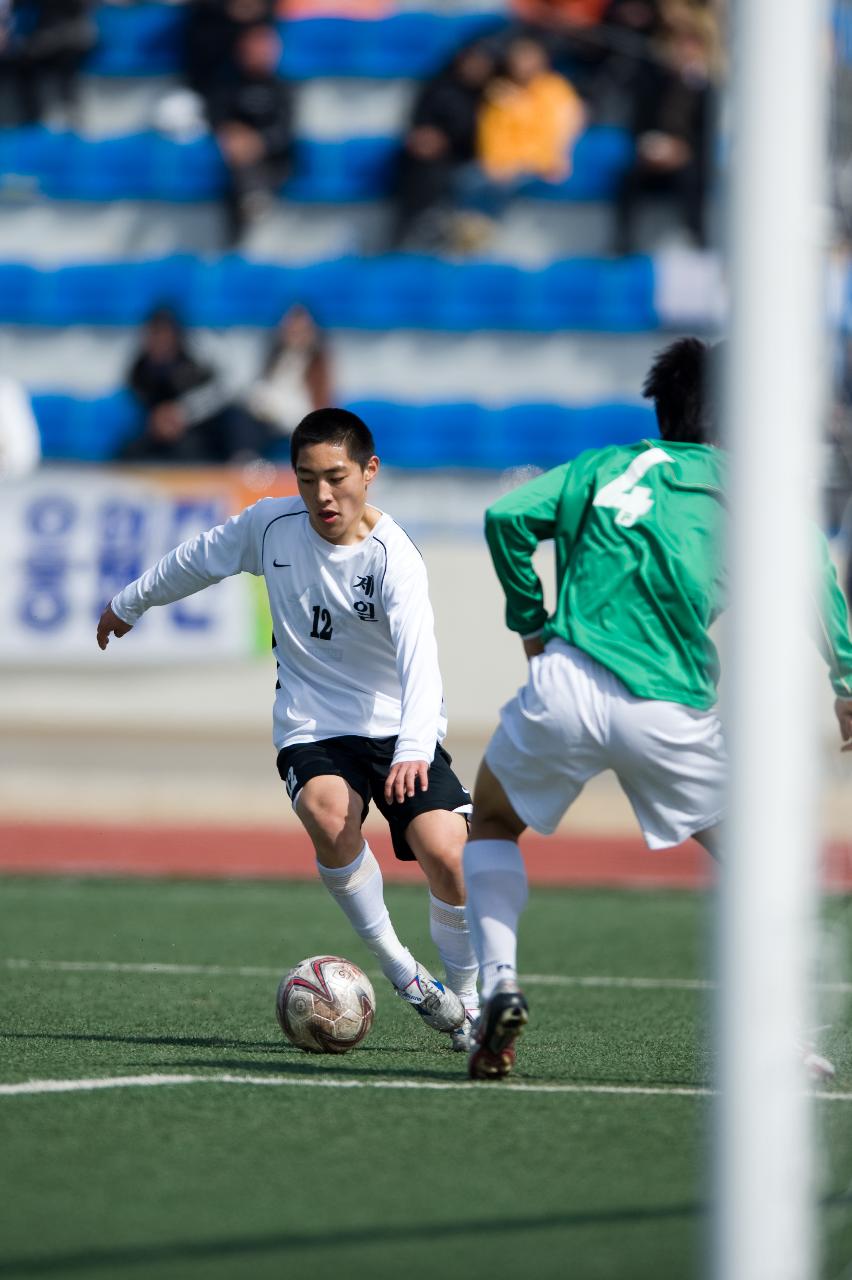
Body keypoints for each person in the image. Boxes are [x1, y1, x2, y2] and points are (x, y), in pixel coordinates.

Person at [462, 337, 852, 1081]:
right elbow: (812, 569)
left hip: (566, 682)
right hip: (667, 711)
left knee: (494, 820)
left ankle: (500, 985)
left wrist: (532, 624)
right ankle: (781, 1044)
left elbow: (507, 518)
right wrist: (848, 681)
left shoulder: (605, 464)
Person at [96, 408, 480, 1049]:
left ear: (370, 471)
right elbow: (197, 559)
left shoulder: (396, 560)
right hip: (313, 724)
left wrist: (414, 748)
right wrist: (129, 602)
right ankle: (404, 973)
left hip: (397, 730)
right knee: (330, 817)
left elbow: (422, 665)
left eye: (336, 477)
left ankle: (467, 1002)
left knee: (447, 851)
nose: (322, 495)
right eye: (307, 479)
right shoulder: (270, 527)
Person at [121, 307, 267, 463]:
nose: (160, 342)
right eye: (155, 334)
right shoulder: (140, 369)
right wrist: (161, 422)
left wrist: (182, 413)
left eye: (165, 334)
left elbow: (223, 393)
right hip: (161, 435)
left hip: (201, 430)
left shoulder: (194, 362)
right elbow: (147, 409)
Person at [206, 21, 293, 245]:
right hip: (233, 161)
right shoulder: (227, 85)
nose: (261, 51)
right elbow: (217, 119)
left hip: (272, 163)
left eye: (266, 45)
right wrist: (231, 134)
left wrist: (259, 142)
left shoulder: (282, 89)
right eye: (255, 45)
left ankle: (256, 197)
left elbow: (285, 132)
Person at [243, 304, 332, 443]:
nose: (295, 333)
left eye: (301, 330)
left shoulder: (318, 364)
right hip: (265, 419)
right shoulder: (275, 358)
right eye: (291, 329)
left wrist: (272, 406)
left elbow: (313, 407)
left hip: (294, 421)